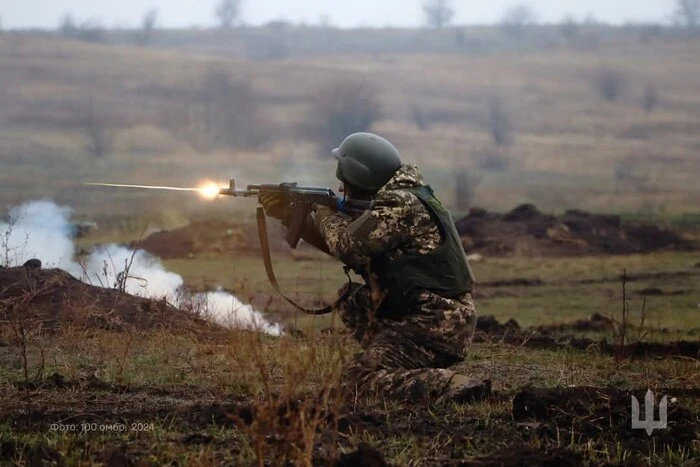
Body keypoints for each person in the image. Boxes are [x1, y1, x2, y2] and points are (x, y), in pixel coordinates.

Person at [260, 132, 490, 404]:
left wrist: (324, 212)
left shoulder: (397, 205)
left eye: (344, 180)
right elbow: (352, 249)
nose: (342, 188)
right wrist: (289, 215)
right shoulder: (406, 197)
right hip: (431, 313)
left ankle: (448, 384)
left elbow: (347, 245)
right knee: (352, 300)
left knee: (357, 382)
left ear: (358, 176)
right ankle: (391, 359)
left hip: (436, 322)